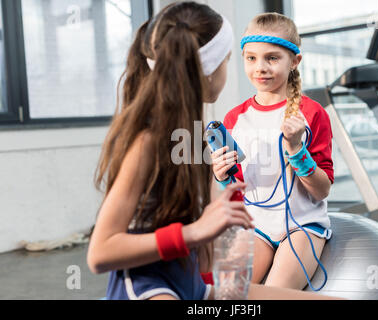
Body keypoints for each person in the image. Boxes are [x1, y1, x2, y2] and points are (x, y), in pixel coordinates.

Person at [87, 2, 339, 301]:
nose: (258, 67)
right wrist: (196, 232)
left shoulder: (194, 134)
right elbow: (99, 254)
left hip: (191, 283)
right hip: (153, 288)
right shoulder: (149, 141)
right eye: (238, 58)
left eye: (271, 58)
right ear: (208, 70)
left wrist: (216, 218)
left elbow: (204, 258)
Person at [212, 12, 334, 291]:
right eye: (251, 58)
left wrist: (295, 148)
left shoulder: (312, 114)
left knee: (273, 294)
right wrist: (222, 177)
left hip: (302, 227)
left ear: (294, 61)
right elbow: (236, 190)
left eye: (272, 58)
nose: (260, 67)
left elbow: (322, 190)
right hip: (257, 227)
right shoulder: (234, 118)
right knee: (227, 294)